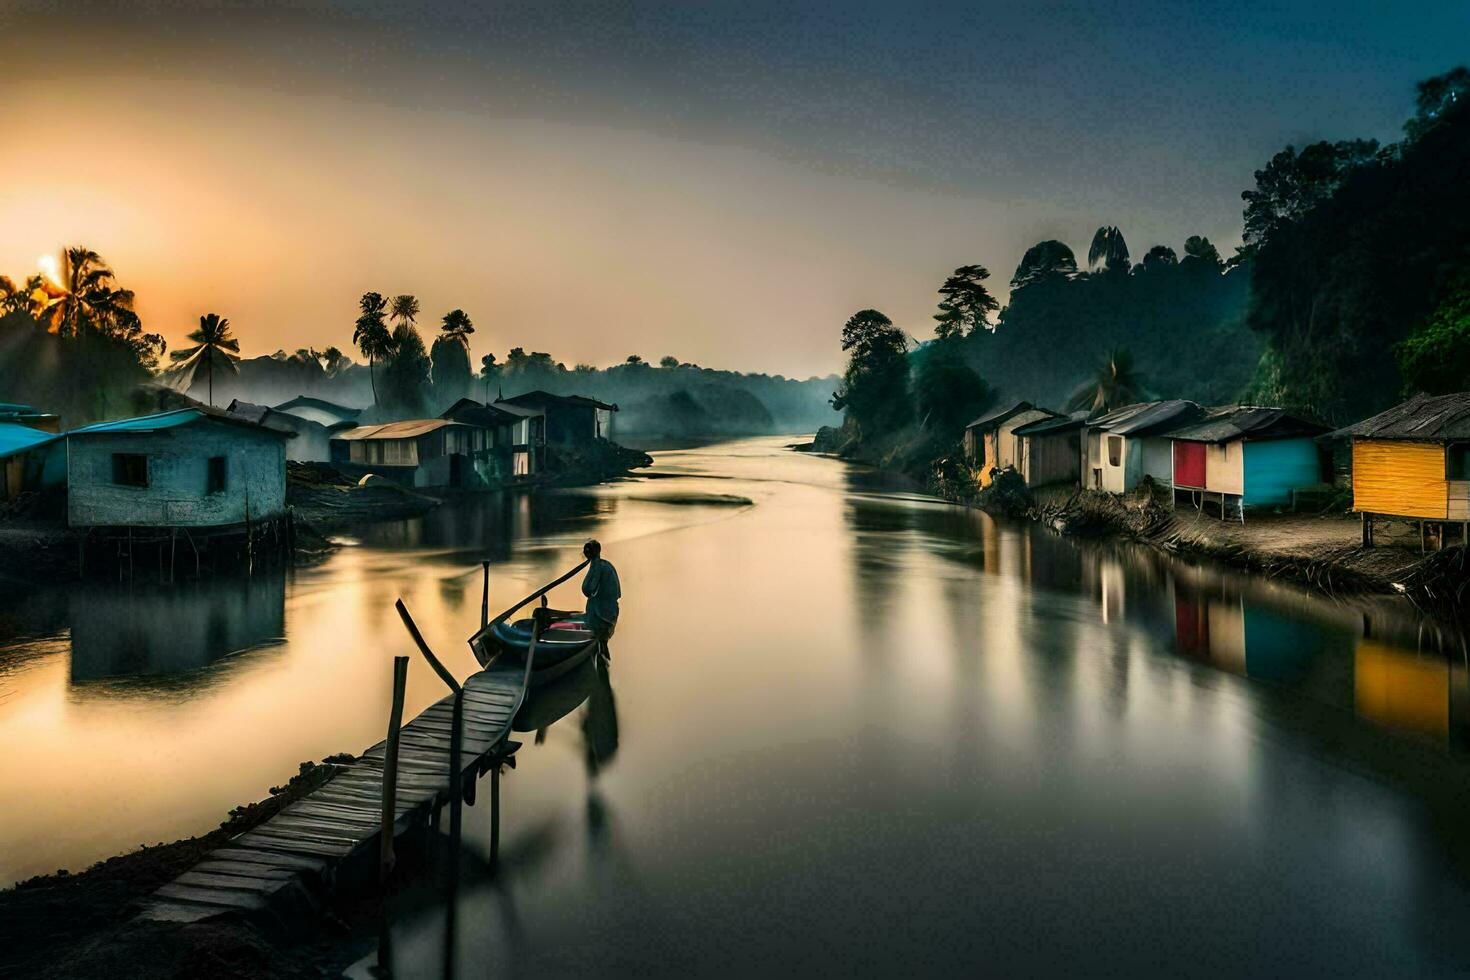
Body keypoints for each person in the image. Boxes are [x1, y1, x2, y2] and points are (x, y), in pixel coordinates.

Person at [581, 539, 620, 656]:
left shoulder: (598, 566)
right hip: (607, 614)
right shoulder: (602, 565)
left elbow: (587, 589)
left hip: (602, 616)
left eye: (587, 551)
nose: (585, 553)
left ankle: (598, 648)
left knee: (586, 623)